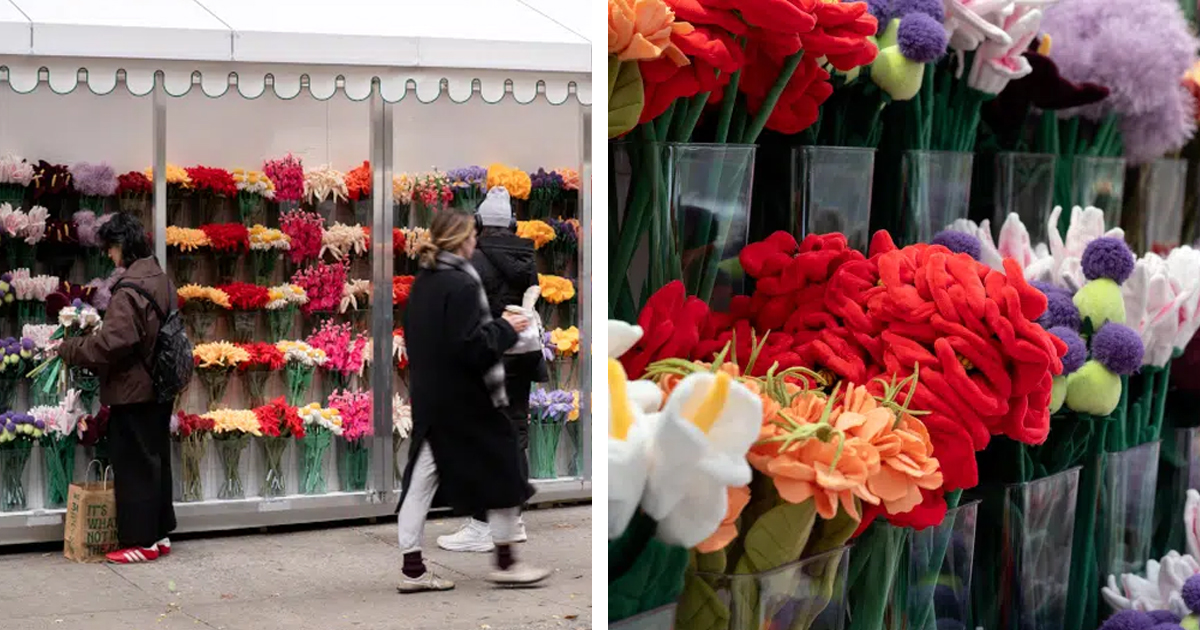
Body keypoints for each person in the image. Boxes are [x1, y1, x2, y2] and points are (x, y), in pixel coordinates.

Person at [397, 209, 551, 592]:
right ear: (461, 240)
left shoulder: (424, 283)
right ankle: (506, 562)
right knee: (505, 469)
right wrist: (507, 328)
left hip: (433, 397)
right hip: (469, 399)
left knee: (420, 480)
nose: (475, 243)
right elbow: (472, 346)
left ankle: (413, 568)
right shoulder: (462, 285)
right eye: (471, 237)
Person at [58, 212, 176, 564]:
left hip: (133, 389)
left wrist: (71, 348)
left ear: (121, 246)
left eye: (110, 249)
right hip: (160, 383)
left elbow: (113, 342)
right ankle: (159, 533)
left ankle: (140, 541)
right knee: (156, 459)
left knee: (134, 464)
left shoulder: (129, 289)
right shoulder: (160, 278)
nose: (109, 256)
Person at [438, 186, 547, 554]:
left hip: (491, 355)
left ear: (480, 223)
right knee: (515, 430)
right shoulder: (527, 258)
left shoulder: (475, 261)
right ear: (513, 224)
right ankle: (511, 518)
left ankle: (485, 525)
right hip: (524, 356)